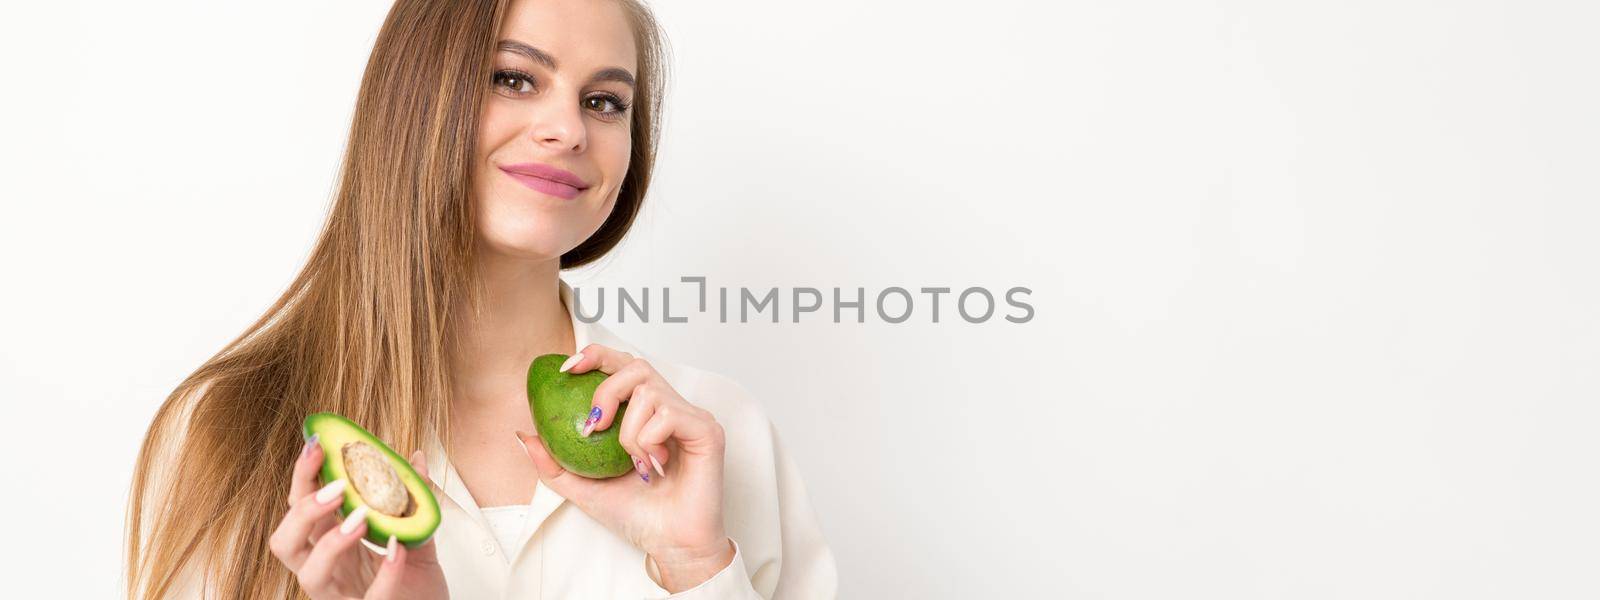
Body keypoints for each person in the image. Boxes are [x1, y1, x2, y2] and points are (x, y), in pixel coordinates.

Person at [123, 0, 837, 597]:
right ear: (413, 98)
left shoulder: (716, 437)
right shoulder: (225, 432)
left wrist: (694, 569)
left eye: (604, 101)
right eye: (514, 78)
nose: (570, 129)